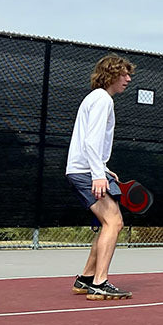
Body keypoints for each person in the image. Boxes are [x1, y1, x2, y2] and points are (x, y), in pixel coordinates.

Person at [65, 54, 135, 301]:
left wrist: (103, 169)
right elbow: (91, 141)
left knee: (109, 223)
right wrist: (97, 174)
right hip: (85, 172)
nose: (128, 79)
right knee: (114, 223)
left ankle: (85, 279)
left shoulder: (96, 98)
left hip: (86, 169)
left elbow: (91, 143)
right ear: (112, 74)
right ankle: (99, 283)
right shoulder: (102, 99)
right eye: (124, 74)